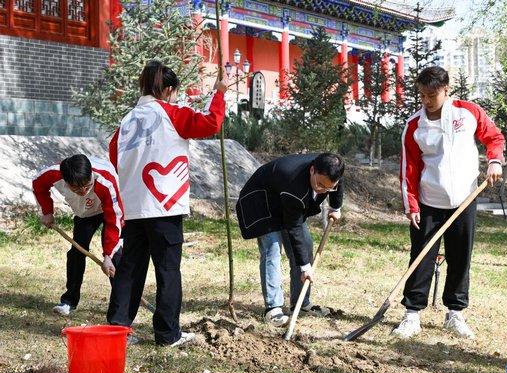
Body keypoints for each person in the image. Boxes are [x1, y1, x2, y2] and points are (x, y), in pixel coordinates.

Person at [107, 60, 227, 346]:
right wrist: (219, 93)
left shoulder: (126, 121)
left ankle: (117, 329)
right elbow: (211, 122)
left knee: (130, 269)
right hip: (164, 205)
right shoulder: (172, 113)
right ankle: (167, 333)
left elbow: (114, 157)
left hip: (134, 206)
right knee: (168, 270)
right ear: (170, 90)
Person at [395, 66, 504, 339]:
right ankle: (412, 314)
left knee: (460, 257)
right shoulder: (413, 126)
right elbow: (409, 169)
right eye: (422, 94)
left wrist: (494, 162)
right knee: (421, 257)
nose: (426, 100)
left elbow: (494, 137)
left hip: (465, 198)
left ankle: (455, 313)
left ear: (446, 89)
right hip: (429, 201)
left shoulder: (468, 112)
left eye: (432, 94)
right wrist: (412, 205)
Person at [236, 153, 345, 327]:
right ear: (312, 170)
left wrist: (335, 206)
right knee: (272, 249)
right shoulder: (294, 182)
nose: (321, 190)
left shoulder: (330, 171)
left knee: (306, 246)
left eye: (328, 188)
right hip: (261, 203)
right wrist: (305, 268)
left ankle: (301, 303)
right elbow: (294, 227)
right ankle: (273, 309)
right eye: (319, 184)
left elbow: (336, 184)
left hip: (284, 201)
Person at [32, 154, 123, 316]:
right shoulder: (53, 174)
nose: (82, 191)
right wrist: (47, 211)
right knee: (76, 253)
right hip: (84, 214)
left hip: (109, 208)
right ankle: (69, 301)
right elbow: (38, 185)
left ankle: (121, 306)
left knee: (115, 257)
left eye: (87, 186)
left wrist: (108, 254)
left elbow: (113, 219)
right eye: (75, 188)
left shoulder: (106, 180)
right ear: (65, 181)